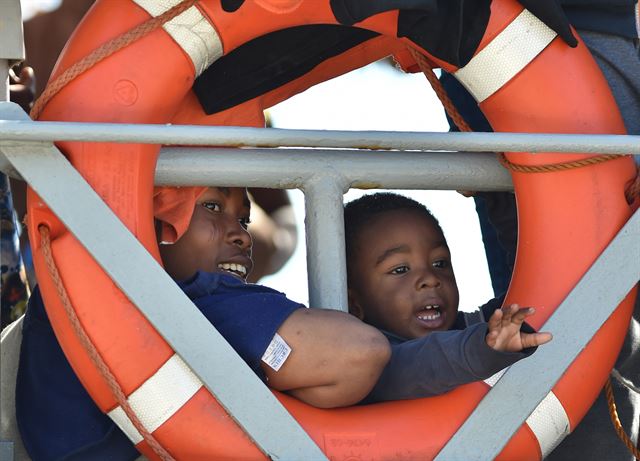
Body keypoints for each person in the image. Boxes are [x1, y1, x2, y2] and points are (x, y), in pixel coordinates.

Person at [16, 184, 550, 459]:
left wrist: (479, 346)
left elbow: (396, 365)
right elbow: (362, 355)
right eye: (213, 208)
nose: (242, 233)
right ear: (151, 217)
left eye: (245, 218)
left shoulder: (79, 283)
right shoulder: (206, 299)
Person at [343, 192, 550, 402]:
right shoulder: (365, 362)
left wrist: (498, 196)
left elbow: (538, 281)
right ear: (354, 304)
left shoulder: (485, 327)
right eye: (400, 269)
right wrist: (482, 348)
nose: (430, 279)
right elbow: (418, 364)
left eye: (440, 263)